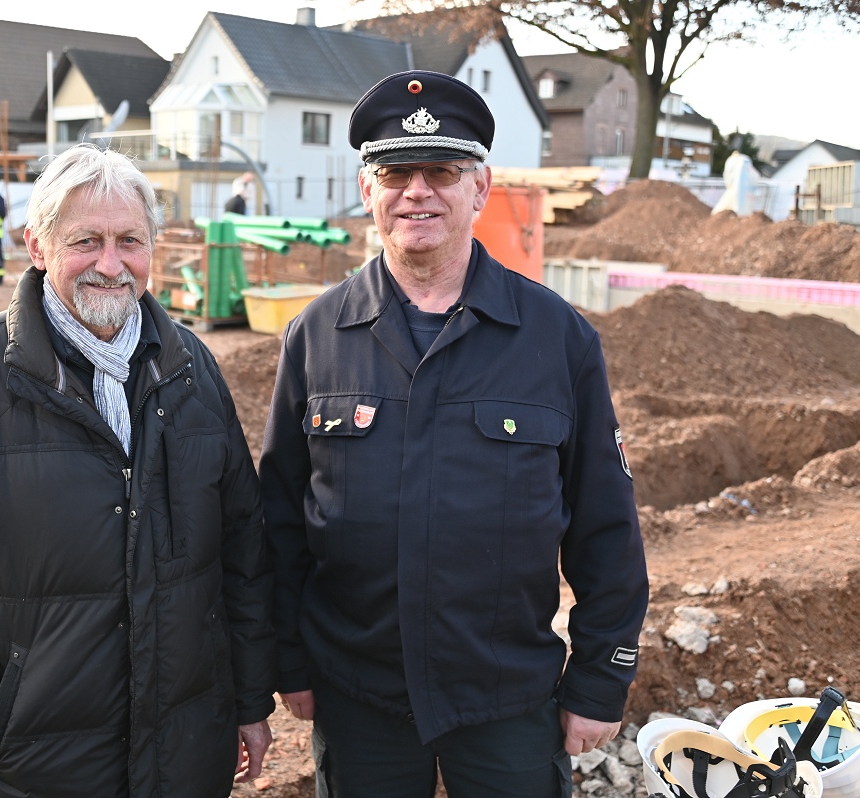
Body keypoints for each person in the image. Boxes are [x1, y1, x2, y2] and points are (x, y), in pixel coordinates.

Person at [259, 70, 649, 798]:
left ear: (480, 188)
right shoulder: (316, 336)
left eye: (441, 171)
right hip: (358, 696)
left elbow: (606, 526)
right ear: (367, 188)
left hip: (506, 697)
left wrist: (602, 678)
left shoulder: (557, 338)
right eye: (395, 174)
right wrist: (287, 659)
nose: (418, 192)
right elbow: (279, 522)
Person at [0, 143, 275, 798]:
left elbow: (242, 551)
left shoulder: (191, 370)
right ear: (37, 245)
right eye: (87, 241)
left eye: (129, 241)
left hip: (185, 756)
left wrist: (249, 700)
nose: (111, 265)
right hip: (32, 769)